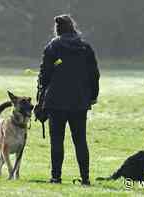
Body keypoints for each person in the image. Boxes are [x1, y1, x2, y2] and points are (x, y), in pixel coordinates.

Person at [36, 14, 100, 185]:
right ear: (73, 27)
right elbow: (94, 74)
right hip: (79, 101)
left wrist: (40, 97)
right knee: (80, 140)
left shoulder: (52, 47)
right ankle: (85, 178)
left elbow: (44, 75)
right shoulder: (85, 47)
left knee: (57, 140)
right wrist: (93, 96)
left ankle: (55, 177)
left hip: (56, 101)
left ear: (58, 29)